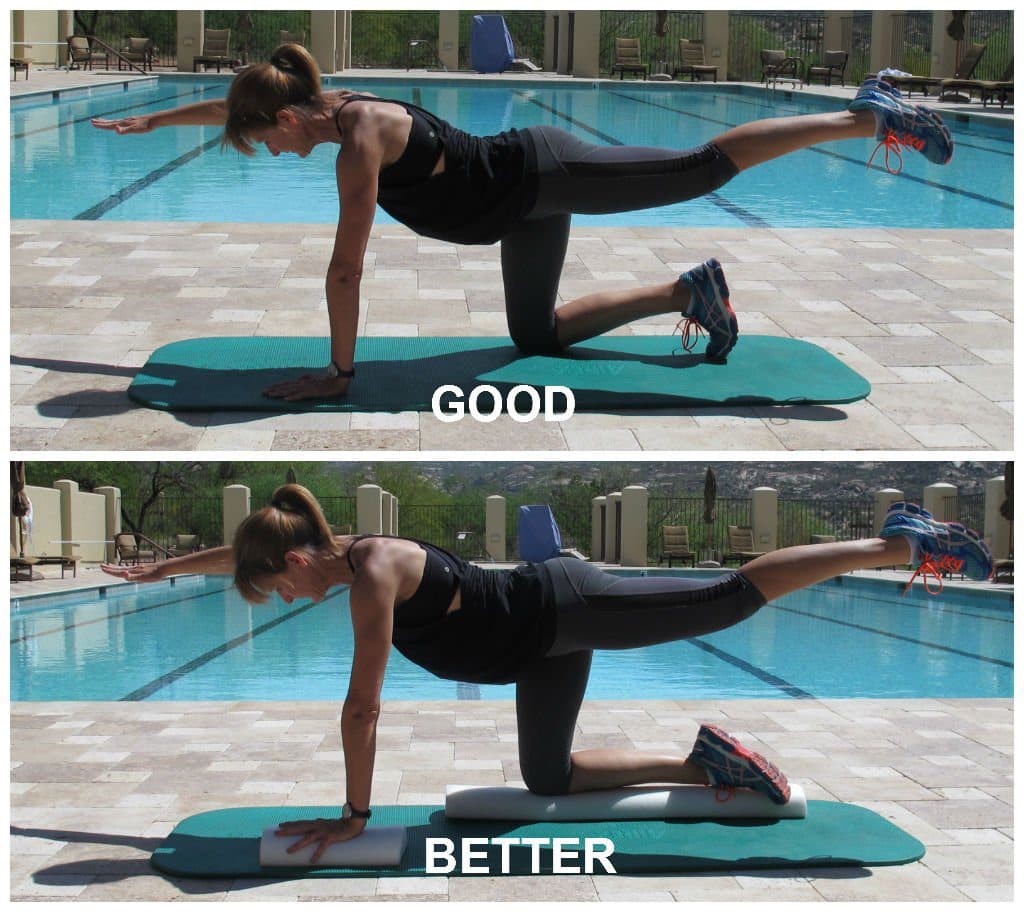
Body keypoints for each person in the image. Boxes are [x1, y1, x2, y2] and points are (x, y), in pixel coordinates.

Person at [102, 484, 991, 862]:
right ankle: (708, 763)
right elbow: (244, 552)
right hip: (540, 648)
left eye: (272, 587)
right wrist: (163, 568)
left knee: (725, 599)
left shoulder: (372, 578)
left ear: (298, 561)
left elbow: (363, 709)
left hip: (567, 607)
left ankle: (896, 540)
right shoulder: (328, 558)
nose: (280, 599)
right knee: (547, 778)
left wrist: (353, 818)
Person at [92, 44, 954, 402]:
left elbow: (347, 270)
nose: (273, 158)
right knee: (535, 337)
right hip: (516, 211)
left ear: (286, 125)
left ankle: (865, 117)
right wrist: (157, 122)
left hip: (542, 174)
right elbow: (239, 103)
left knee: (695, 171)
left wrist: (337, 373)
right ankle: (686, 291)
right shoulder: (312, 105)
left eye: (264, 148)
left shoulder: (356, 141)